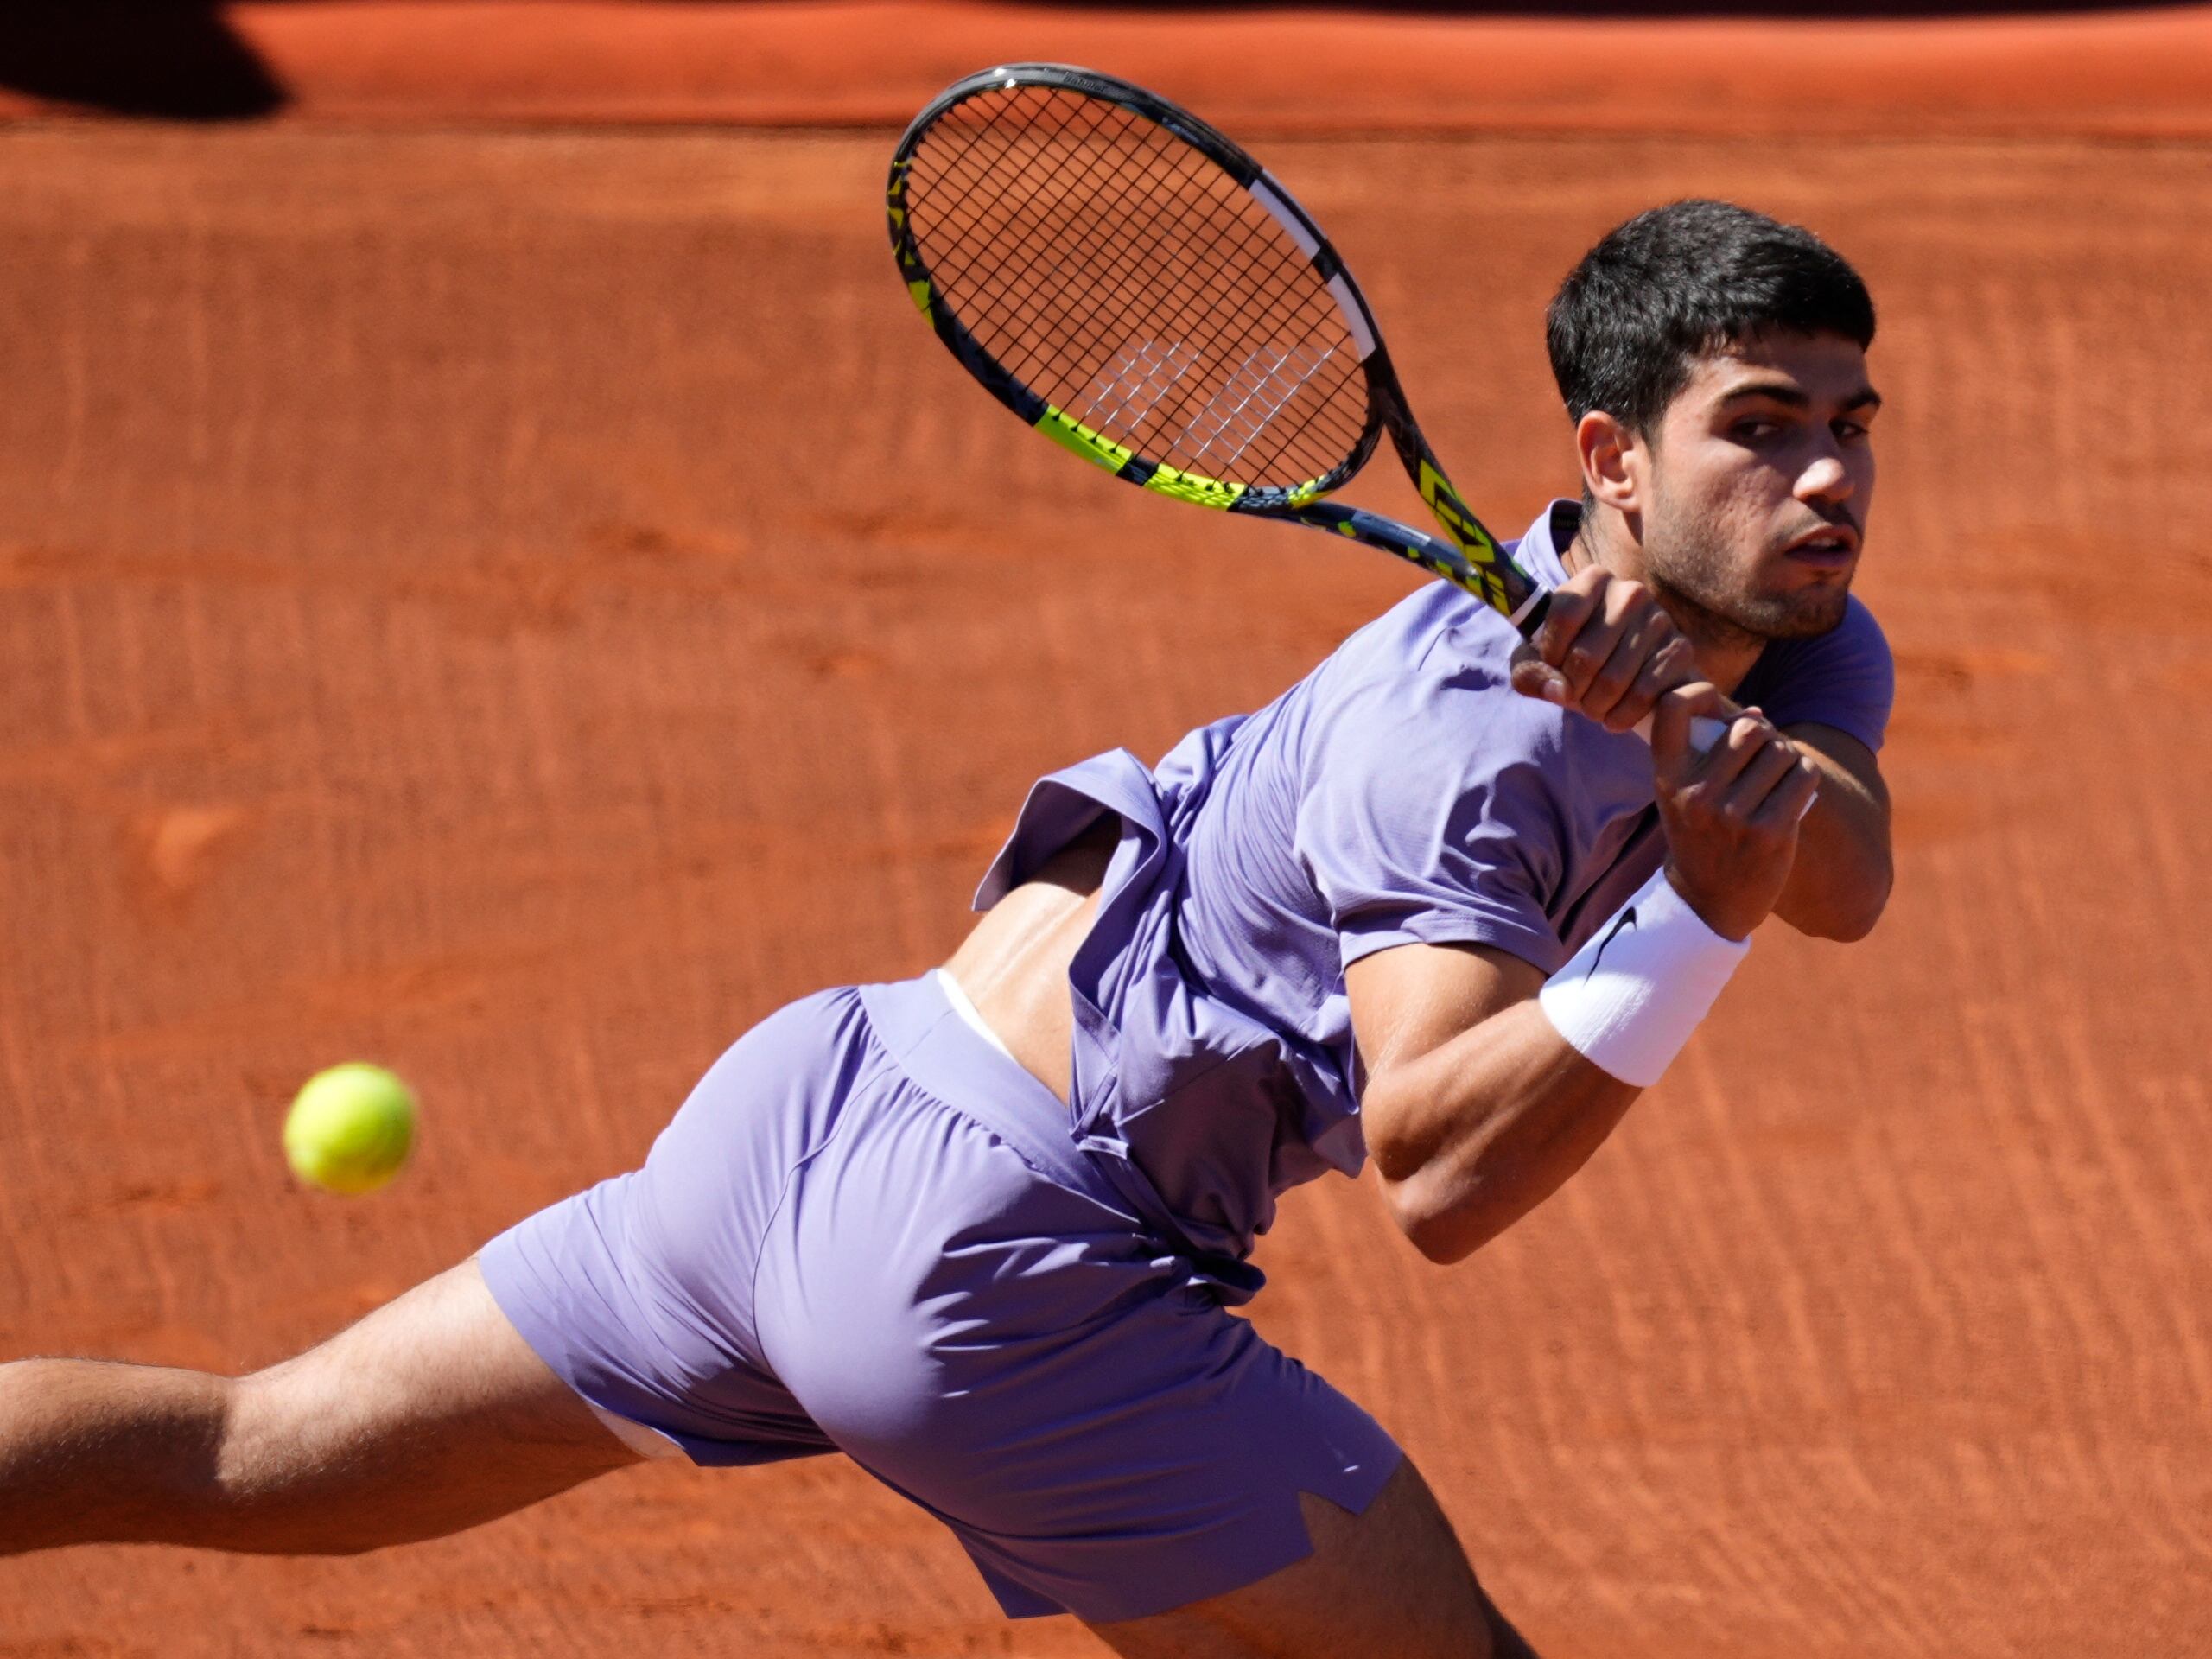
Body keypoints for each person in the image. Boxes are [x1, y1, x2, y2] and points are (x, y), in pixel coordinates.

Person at [0, 199, 1891, 1658]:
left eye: (1845, 427)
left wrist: (1701, 756)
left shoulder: (1799, 627)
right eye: (1757, 427)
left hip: (805, 1117)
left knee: (251, 1453)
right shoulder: (1455, 749)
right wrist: (1691, 921)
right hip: (1002, 1275)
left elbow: (1851, 869)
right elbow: (1436, 1174)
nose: (1822, 481)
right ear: (1606, 460)